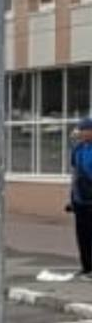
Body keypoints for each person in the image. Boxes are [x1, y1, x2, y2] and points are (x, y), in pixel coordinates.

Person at [69, 118, 92, 276]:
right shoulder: (78, 149)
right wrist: (72, 196)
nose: (81, 133)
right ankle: (86, 266)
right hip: (80, 198)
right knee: (82, 235)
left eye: (83, 130)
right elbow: (75, 172)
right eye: (80, 130)